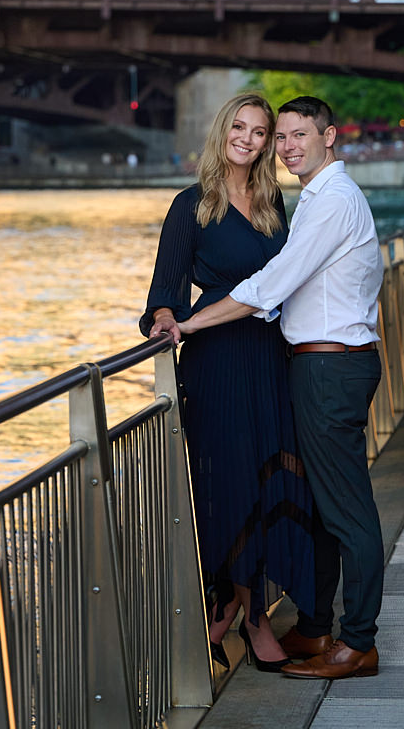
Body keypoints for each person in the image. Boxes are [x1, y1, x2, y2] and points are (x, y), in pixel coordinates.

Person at [178, 95, 384, 680]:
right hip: (319, 364)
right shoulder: (315, 200)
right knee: (320, 507)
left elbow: (272, 283)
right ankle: (318, 629)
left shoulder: (332, 201)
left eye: (299, 135)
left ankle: (359, 642)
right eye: (283, 136)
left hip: (329, 369)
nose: (290, 146)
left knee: (347, 513)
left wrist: (194, 321)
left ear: (330, 137)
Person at [141, 93, 314, 672]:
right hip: (215, 362)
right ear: (223, 132)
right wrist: (167, 320)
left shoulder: (271, 203)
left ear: (267, 144)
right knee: (228, 485)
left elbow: (289, 281)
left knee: (269, 481)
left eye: (260, 132)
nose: (249, 138)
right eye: (239, 127)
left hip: (268, 358)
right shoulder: (191, 205)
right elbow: (165, 291)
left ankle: (229, 613)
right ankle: (250, 617)